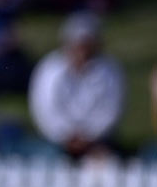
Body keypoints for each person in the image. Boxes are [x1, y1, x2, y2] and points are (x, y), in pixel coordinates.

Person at [28, 12, 125, 159]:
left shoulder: (110, 70)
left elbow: (111, 109)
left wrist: (89, 136)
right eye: (77, 44)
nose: (82, 50)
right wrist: (65, 136)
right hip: (56, 141)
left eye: (87, 44)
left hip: (97, 140)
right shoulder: (50, 68)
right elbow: (44, 109)